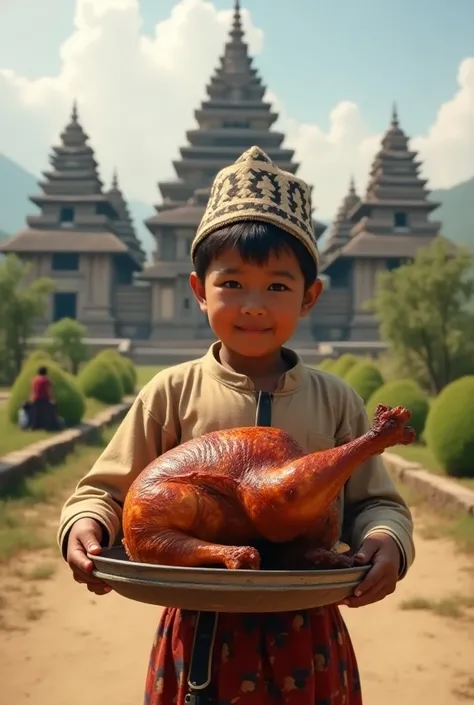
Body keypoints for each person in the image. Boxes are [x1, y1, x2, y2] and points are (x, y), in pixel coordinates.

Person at [58, 147, 415, 705]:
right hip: (201, 628)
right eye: (231, 284)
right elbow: (107, 491)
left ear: (309, 297)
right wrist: (86, 524)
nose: (253, 305)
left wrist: (385, 542)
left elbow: (376, 502)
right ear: (200, 291)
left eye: (277, 286)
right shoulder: (170, 393)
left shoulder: (336, 400)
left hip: (307, 627)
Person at [28, 365, 61, 431]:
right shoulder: (46, 380)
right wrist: (51, 399)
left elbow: (32, 391)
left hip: (35, 400)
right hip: (44, 400)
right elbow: (49, 391)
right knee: (53, 407)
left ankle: (34, 426)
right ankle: (53, 425)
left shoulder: (34, 380)